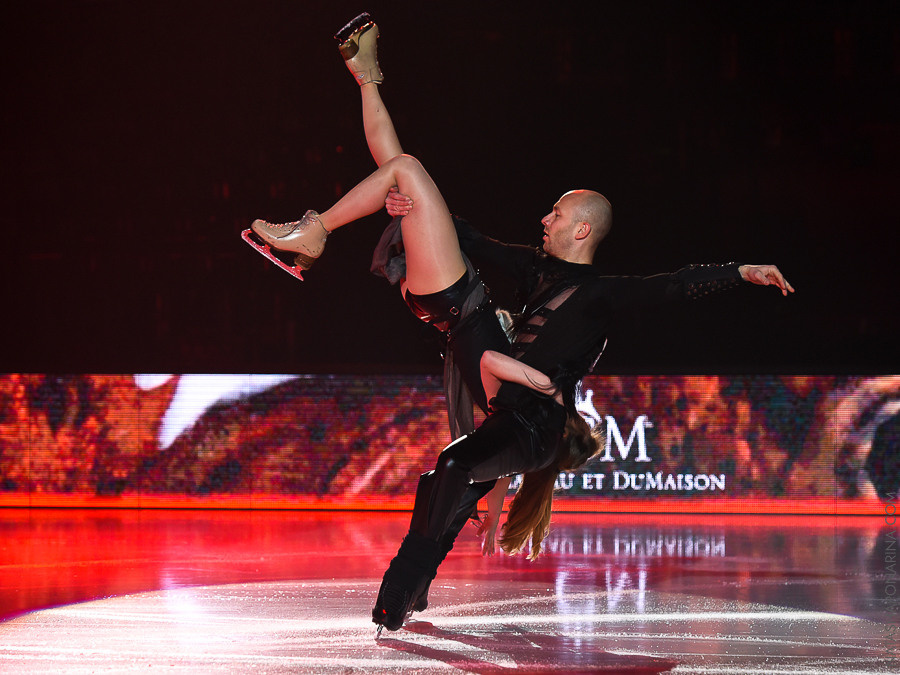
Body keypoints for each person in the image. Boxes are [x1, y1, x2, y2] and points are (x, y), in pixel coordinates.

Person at [245, 14, 795, 633]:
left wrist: (741, 270)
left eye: (556, 212)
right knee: (404, 172)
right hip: (463, 321)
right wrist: (411, 213)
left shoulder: (600, 295)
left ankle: (314, 232)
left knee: (451, 471)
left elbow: (675, 285)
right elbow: (467, 234)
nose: (544, 217)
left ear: (580, 228)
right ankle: (365, 81)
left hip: (529, 418)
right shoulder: (533, 270)